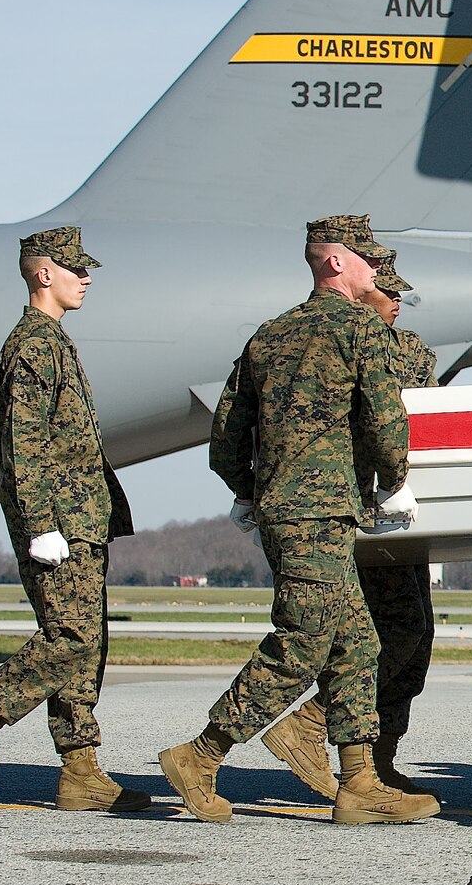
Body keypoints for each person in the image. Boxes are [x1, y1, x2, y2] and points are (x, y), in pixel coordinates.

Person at [158, 216, 435, 824]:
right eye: (368, 259)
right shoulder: (359, 326)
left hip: (287, 510)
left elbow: (228, 430)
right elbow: (385, 417)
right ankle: (201, 755)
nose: (376, 271)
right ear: (336, 262)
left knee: (358, 643)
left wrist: (245, 490)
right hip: (322, 509)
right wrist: (395, 482)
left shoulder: (270, 335)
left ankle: (359, 780)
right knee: (302, 641)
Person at [0, 226, 148, 812]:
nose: (86, 278)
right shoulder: (32, 344)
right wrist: (39, 526)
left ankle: (80, 770)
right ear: (43, 273)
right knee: (71, 634)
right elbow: (21, 443)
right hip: (58, 519)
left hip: (81, 517)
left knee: (86, 643)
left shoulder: (53, 340)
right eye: (75, 268)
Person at [259, 255, 442, 801]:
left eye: (398, 295)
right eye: (387, 292)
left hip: (393, 515)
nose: (395, 303)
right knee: (383, 635)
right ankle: (321, 731)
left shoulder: (411, 350)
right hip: (348, 510)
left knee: (414, 636)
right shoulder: (338, 339)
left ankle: (377, 757)